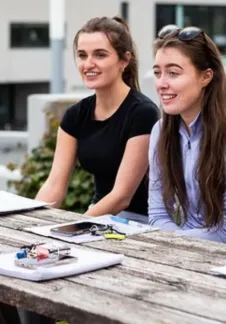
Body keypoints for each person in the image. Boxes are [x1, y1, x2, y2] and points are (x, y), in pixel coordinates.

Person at [147, 24, 226, 251]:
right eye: (158, 72)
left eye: (173, 73)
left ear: (206, 77)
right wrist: (175, 244)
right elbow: (157, 214)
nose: (161, 83)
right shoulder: (160, 131)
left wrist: (171, 242)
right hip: (186, 252)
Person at [34, 16, 160, 222]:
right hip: (97, 219)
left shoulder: (143, 114)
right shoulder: (75, 115)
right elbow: (55, 184)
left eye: (100, 55)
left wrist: (73, 227)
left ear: (124, 60)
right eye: (82, 55)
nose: (88, 64)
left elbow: (121, 197)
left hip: (138, 224)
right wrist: (32, 221)